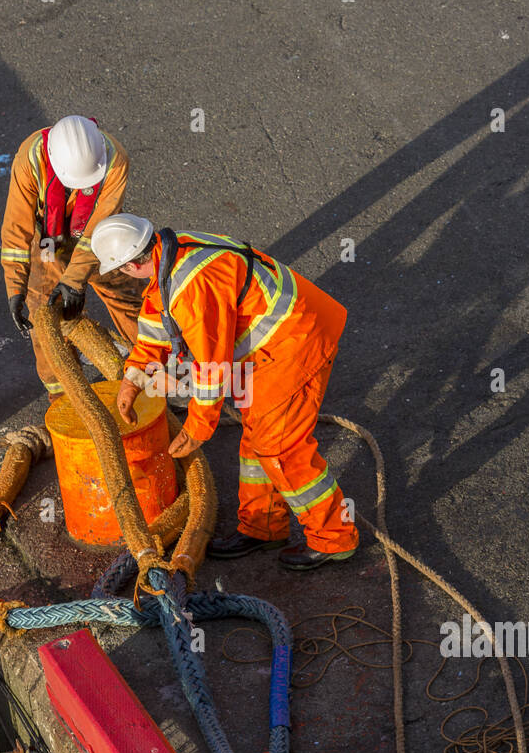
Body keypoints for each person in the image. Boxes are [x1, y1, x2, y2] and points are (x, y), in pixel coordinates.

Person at [90, 214, 359, 570]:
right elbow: (159, 315)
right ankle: (262, 527)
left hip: (295, 342)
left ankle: (333, 538)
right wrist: (135, 373)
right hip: (280, 338)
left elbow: (211, 369)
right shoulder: (170, 251)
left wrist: (197, 428)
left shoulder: (191, 286)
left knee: (279, 447)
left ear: (129, 265)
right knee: (257, 438)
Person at [0, 115, 144, 400]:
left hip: (99, 237)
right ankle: (66, 400)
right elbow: (17, 228)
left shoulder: (114, 160)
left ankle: (153, 374)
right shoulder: (30, 159)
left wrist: (73, 281)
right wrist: (15, 289)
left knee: (132, 301)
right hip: (49, 243)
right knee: (47, 321)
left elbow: (94, 233)